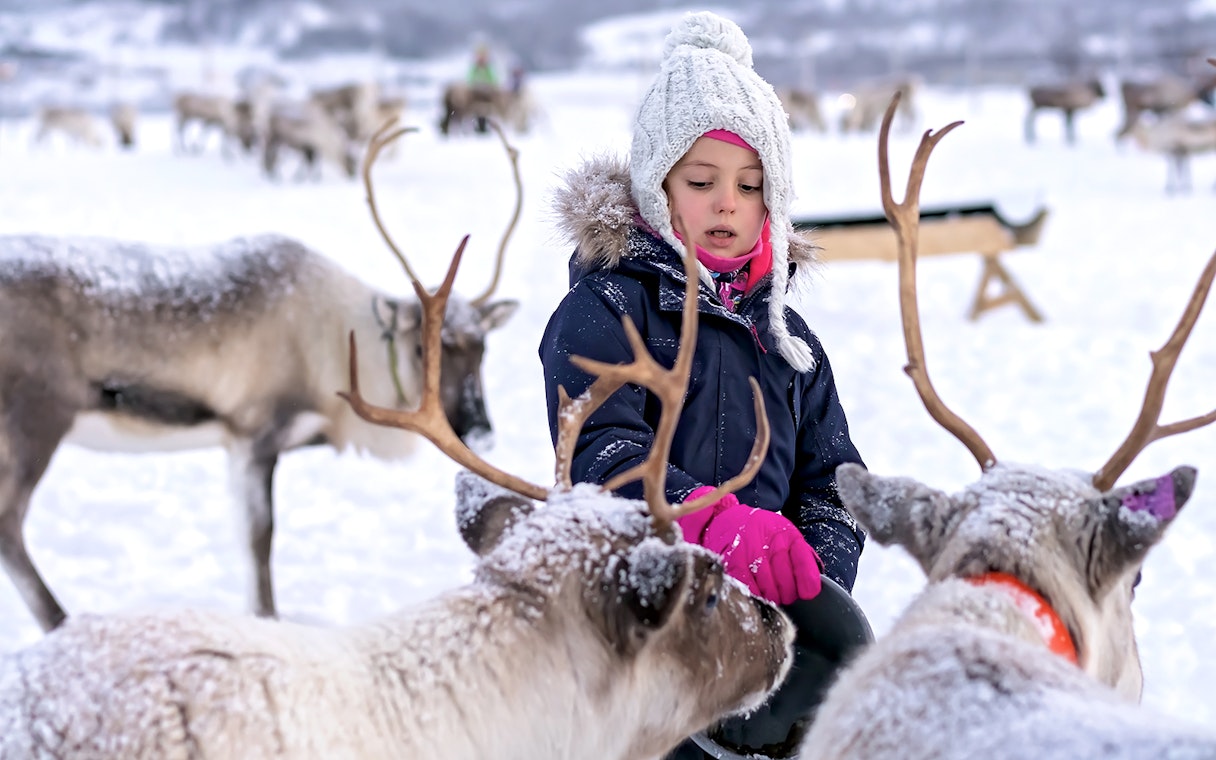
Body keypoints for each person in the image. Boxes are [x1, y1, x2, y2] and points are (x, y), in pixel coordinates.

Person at [539, 12, 866, 757]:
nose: (727, 202)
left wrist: (807, 577)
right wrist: (716, 529)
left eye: (751, 185)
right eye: (701, 180)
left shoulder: (791, 345)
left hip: (763, 642)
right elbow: (599, 456)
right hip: (636, 631)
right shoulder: (606, 312)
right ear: (657, 186)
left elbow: (835, 481)